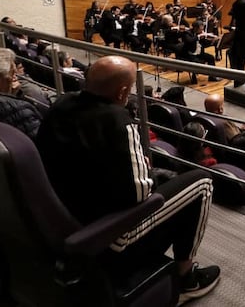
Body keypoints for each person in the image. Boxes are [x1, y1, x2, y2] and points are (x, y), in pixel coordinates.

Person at [36, 56, 221, 303]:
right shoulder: (118, 120)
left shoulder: (60, 104)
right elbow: (139, 195)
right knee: (201, 181)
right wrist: (145, 175)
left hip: (69, 216)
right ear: (123, 92)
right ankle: (186, 277)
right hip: (112, 235)